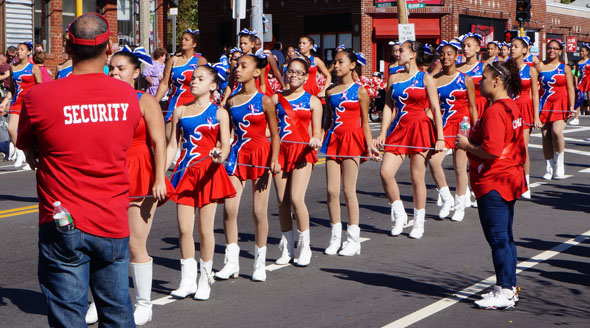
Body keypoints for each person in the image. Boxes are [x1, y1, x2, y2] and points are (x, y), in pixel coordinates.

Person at [16, 13, 143, 326]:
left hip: (63, 221)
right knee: (116, 313)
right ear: (109, 48)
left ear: (67, 47)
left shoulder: (39, 96)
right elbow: (121, 140)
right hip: (112, 219)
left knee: (68, 317)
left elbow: (23, 141)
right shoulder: (128, 95)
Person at [455, 60, 526, 310]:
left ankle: (506, 290)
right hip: (507, 178)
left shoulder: (497, 110)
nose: (480, 81)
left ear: (497, 81)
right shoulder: (510, 106)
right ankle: (506, 285)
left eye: (484, 77)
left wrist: (466, 146)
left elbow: (491, 150)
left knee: (498, 239)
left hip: (495, 180)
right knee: (505, 237)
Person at [166, 65, 236, 300]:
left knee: (205, 230)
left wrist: (220, 155)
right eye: (193, 78)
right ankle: (187, 279)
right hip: (185, 173)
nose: (193, 81)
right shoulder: (180, 111)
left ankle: (204, 277)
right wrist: (160, 173)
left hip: (209, 173)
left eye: (200, 78)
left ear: (213, 85)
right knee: (184, 228)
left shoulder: (219, 113)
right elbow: (172, 145)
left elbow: (225, 145)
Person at [215, 53, 281, 282]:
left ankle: (259, 262)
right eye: (236, 66)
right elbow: (228, 132)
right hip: (237, 153)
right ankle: (231, 261)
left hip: (261, 154)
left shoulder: (264, 100)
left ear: (256, 72)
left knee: (258, 211)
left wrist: (274, 159)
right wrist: (220, 150)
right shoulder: (231, 100)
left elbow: (274, 134)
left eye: (244, 66)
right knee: (229, 209)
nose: (237, 69)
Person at [375, 40, 445, 239]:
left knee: (417, 178)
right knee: (386, 172)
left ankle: (419, 221)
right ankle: (399, 214)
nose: (397, 53)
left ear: (413, 54)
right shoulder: (394, 78)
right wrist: (382, 133)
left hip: (420, 128)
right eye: (396, 51)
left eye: (401, 50)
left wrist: (439, 137)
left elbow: (435, 109)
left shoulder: (425, 78)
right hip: (399, 129)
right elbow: (388, 107)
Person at [322, 51, 380, 256]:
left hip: (352, 141)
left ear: (352, 65)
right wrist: (318, 138)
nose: (336, 66)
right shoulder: (330, 92)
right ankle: (335, 237)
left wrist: (369, 145)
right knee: (331, 190)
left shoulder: (360, 91)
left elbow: (365, 122)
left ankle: (353, 239)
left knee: (348, 190)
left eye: (341, 62)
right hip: (334, 140)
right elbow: (328, 122)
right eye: (334, 62)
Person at [272, 57, 322, 266]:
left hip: (302, 153)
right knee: (282, 202)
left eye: (298, 72)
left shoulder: (313, 101)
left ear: (305, 77)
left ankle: (305, 245)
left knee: (296, 198)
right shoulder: (275, 99)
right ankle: (286, 246)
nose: (293, 75)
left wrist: (315, 139)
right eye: (290, 71)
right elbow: (269, 127)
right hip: (281, 152)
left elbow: (317, 131)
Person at [429, 41, 477, 222]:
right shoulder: (434, 80)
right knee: (434, 161)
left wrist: (475, 127)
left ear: (457, 56)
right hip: (445, 124)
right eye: (442, 54)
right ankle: (446, 197)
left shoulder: (466, 79)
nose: (445, 57)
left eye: (449, 54)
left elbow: (472, 107)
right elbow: (431, 106)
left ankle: (460, 204)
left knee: (459, 166)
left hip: (463, 124)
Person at [155, 29, 208, 138]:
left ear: (194, 44)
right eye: (182, 39)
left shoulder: (200, 61)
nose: (183, 41)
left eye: (186, 39)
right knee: (170, 138)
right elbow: (165, 83)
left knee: (191, 138)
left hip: (193, 102)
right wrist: (154, 101)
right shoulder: (173, 60)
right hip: (174, 101)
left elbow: (205, 85)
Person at [0, 41, 42, 169]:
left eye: (22, 49)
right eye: (18, 49)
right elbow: (12, 89)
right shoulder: (13, 67)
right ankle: (22, 153)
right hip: (17, 103)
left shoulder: (34, 68)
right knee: (11, 129)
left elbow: (40, 88)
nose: (19, 51)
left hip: (30, 103)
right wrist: (4, 102)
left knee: (31, 132)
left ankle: (33, 155)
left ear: (29, 52)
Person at [537, 40, 575, 181]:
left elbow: (571, 88)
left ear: (560, 51)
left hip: (560, 104)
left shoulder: (564, 68)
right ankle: (549, 166)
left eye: (555, 48)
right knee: (546, 135)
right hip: (544, 103)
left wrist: (571, 106)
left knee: (556, 132)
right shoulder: (540, 66)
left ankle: (559, 162)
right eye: (549, 48)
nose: (551, 50)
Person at [511, 36, 540, 199]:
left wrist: (536, 115)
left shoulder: (530, 70)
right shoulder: (505, 68)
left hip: (524, 108)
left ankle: (525, 182)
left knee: (522, 147)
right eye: (511, 46)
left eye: (516, 46)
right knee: (507, 146)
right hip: (508, 108)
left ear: (524, 50)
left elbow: (535, 94)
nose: (512, 49)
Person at [458, 33, 487, 122]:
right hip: (462, 108)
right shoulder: (456, 68)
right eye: (464, 46)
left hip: (480, 106)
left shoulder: (484, 66)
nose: (465, 48)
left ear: (477, 48)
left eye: (469, 46)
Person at [298, 36, 331, 100]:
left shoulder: (316, 60)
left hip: (313, 92)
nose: (301, 45)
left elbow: (328, 76)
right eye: (300, 43)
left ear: (311, 46)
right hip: (298, 91)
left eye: (304, 43)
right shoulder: (295, 60)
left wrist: (324, 90)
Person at [576, 43, 590, 119]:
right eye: (580, 51)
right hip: (582, 81)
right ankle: (579, 115)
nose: (581, 53)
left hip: (589, 81)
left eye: (583, 51)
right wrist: (576, 84)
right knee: (579, 98)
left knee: (589, 98)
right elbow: (576, 74)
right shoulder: (578, 63)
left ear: (587, 52)